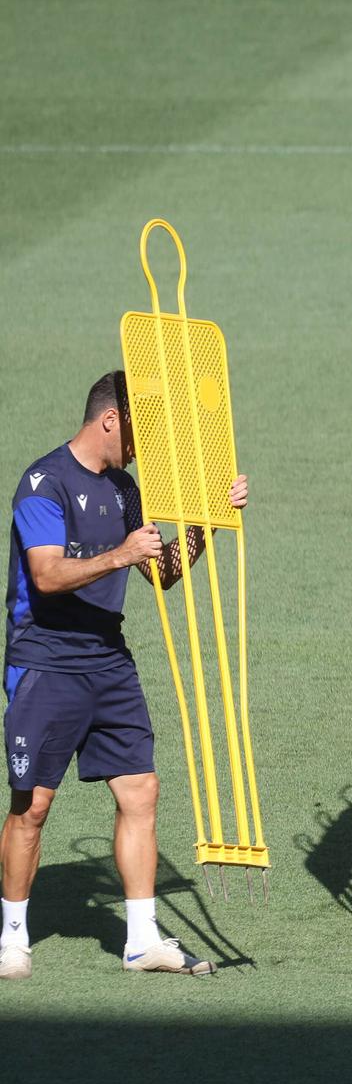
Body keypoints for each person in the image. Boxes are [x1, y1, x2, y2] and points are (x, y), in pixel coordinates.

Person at [1, 370, 249, 980]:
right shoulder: (43, 482)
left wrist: (208, 520)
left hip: (108, 661)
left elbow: (162, 570)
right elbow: (48, 575)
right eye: (140, 430)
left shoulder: (125, 488)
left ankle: (141, 941)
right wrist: (119, 554)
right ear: (109, 420)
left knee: (140, 792)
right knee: (33, 806)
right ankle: (11, 939)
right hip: (46, 660)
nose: (146, 445)